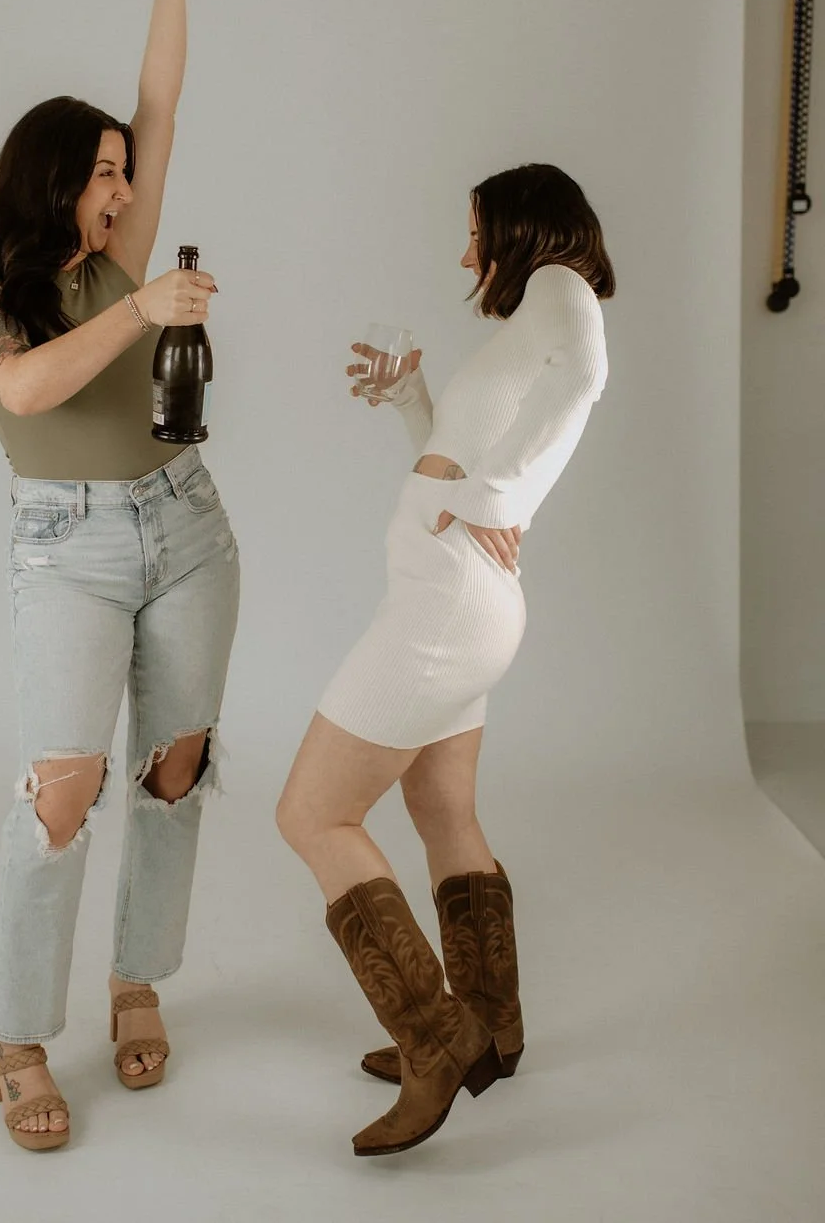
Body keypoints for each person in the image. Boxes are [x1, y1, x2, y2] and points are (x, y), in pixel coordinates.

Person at [0, 0, 239, 1151]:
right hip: (66, 545)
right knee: (60, 794)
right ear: (52, 179)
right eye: (105, 172)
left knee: (175, 771)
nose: (123, 188)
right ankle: (18, 1039)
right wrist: (140, 312)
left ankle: (136, 978)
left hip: (186, 525)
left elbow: (161, 101)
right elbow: (23, 391)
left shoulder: (121, 253)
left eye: (126, 170)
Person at [277, 163, 613, 1158]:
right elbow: (453, 454)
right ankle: (493, 1026)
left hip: (445, 606)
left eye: (477, 232)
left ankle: (436, 1038)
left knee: (311, 813)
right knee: (441, 808)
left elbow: (584, 381)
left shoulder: (561, 283)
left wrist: (499, 498)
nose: (468, 256)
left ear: (521, 227)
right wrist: (410, 397)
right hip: (458, 603)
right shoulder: (530, 317)